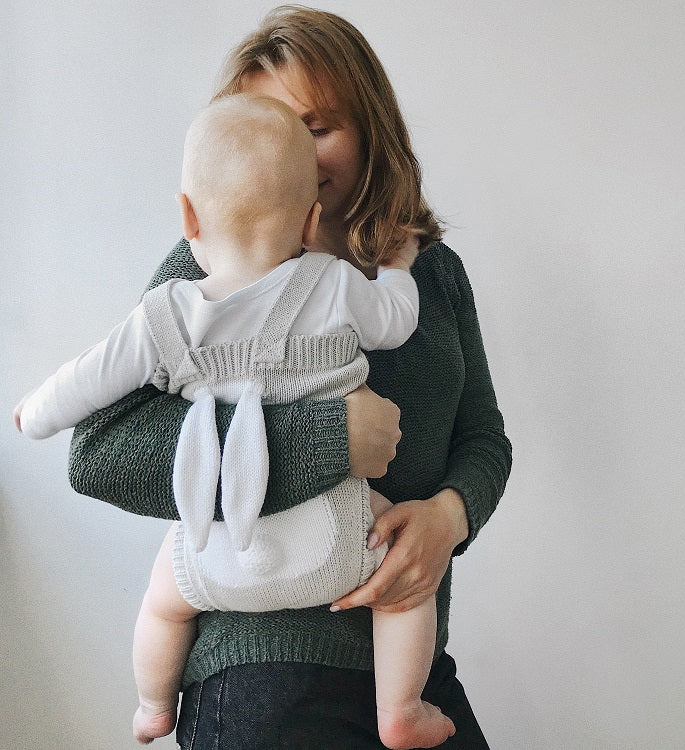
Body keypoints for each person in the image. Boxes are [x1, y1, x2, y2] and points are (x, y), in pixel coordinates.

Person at [65, 6, 512, 749]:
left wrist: (448, 518)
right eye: (265, 123)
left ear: (371, 129)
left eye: (316, 126)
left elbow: (485, 438)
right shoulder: (206, 274)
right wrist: (332, 438)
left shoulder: (432, 273)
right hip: (262, 678)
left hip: (410, 671)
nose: (286, 150)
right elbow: (100, 452)